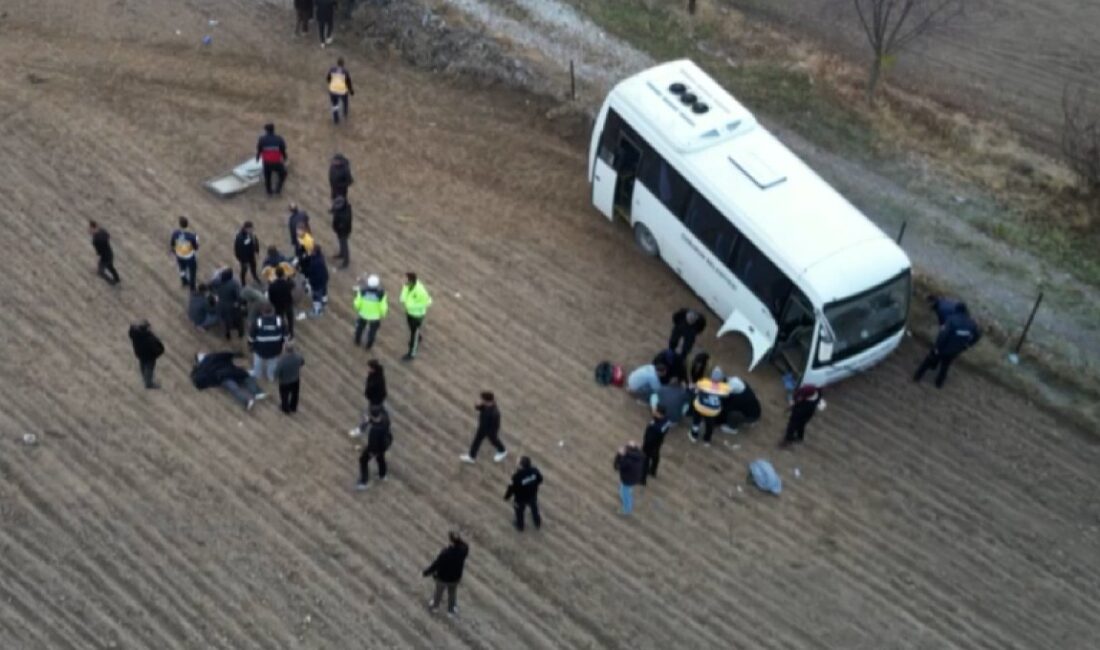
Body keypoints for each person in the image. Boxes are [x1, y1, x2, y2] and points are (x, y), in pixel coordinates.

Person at [914, 296, 982, 388]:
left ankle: (917, 377)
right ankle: (939, 384)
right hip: (956, 350)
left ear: (957, 310)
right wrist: (967, 346)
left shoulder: (951, 320)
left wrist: (937, 348)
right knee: (945, 366)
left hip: (944, 347)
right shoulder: (972, 324)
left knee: (928, 360)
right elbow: (977, 336)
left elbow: (943, 335)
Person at [191, 352, 266, 410]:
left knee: (234, 389)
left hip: (223, 377)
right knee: (245, 377)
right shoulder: (213, 356)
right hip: (231, 371)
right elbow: (226, 354)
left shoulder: (202, 367)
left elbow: (196, 377)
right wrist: (236, 353)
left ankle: (247, 401)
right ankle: (257, 392)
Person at [423, 532, 469, 616]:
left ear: (451, 541)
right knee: (452, 593)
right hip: (455, 578)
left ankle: (435, 606)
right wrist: (458, 539)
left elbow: (436, 564)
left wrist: (427, 572)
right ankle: (451, 610)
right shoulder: (463, 551)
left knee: (438, 593)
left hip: (443, 578)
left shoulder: (445, 553)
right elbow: (465, 545)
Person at [460, 391, 507, 464]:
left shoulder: (494, 412)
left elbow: (494, 424)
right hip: (483, 427)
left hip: (490, 430)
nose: (481, 400)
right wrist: (477, 405)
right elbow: (479, 408)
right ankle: (472, 457)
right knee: (477, 441)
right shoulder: (486, 405)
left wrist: (488, 432)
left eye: (482, 399)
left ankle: (502, 451)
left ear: (486, 401)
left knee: (493, 440)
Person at [353, 405, 392, 490]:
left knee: (363, 460)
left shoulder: (374, 431)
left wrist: (361, 449)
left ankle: (364, 482)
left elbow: (372, 447)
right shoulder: (385, 419)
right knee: (380, 457)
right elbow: (377, 421)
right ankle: (382, 475)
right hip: (386, 442)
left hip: (377, 446)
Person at [690, 367, 731, 446]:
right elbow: (727, 396)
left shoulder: (703, 383)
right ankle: (707, 440)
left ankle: (693, 436)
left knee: (696, 422)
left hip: (700, 407)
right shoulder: (725, 388)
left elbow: (695, 388)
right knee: (710, 426)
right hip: (713, 411)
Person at [249, 304, 287, 382]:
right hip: (275, 348)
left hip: (260, 348)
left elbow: (252, 337)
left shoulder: (257, 321)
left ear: (262, 312)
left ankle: (257, 374)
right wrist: (284, 344)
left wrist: (250, 345)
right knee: (272, 362)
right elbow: (286, 335)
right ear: (273, 311)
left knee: (258, 361)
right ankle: (271, 376)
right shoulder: (279, 321)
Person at [504, 456, 543, 531]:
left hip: (520, 499)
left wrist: (506, 497)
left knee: (519, 512)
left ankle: (520, 526)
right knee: (534, 508)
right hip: (532, 495)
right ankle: (537, 522)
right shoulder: (534, 470)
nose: (516, 463)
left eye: (518, 462)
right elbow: (540, 479)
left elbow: (512, 489)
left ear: (521, 466)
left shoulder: (517, 477)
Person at [399, 272, 432, 361]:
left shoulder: (421, 291)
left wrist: (411, 306)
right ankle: (418, 336)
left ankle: (411, 353)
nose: (403, 281)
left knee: (414, 334)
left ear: (411, 280)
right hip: (409, 313)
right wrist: (404, 299)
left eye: (406, 279)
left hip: (417, 315)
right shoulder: (407, 286)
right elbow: (403, 296)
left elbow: (428, 302)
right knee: (411, 328)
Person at [353, 274, 387, 349]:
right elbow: (383, 307)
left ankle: (357, 341)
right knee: (372, 332)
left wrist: (357, 308)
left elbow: (357, 303)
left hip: (363, 314)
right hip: (375, 317)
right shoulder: (381, 294)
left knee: (360, 328)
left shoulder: (362, 292)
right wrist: (383, 314)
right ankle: (369, 345)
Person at [128, 321, 164, 389]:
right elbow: (158, 347)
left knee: (143, 367)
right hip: (149, 357)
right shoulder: (149, 337)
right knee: (149, 369)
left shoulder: (136, 334)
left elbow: (131, 331)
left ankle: (145, 380)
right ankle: (148, 384)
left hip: (141, 354)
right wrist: (157, 353)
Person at [211, 267, 244, 341]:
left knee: (224, 320)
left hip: (220, 304)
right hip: (231, 305)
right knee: (238, 320)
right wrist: (239, 303)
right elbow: (239, 296)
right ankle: (240, 333)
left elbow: (211, 286)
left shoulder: (216, 282)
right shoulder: (234, 284)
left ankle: (227, 335)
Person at [641, 405, 670, 485]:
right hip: (657, 443)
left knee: (645, 460)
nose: (654, 412)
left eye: (656, 411)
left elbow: (655, 431)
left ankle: (642, 479)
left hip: (650, 443)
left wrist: (651, 425)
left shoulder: (657, 425)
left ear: (660, 414)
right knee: (655, 456)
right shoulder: (666, 420)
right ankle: (653, 471)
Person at [256, 123, 288, 196]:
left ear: (265, 130)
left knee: (267, 177)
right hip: (276, 162)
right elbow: (283, 150)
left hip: (266, 162)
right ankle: (278, 189)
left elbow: (259, 150)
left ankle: (269, 192)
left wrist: (257, 158)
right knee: (283, 174)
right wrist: (285, 158)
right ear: (274, 130)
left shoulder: (262, 139)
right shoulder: (279, 139)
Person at [613, 442, 645, 515]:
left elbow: (616, 466)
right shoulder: (639, 455)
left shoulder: (627, 460)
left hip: (628, 480)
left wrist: (619, 455)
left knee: (625, 494)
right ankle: (626, 497)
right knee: (626, 490)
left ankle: (626, 510)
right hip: (634, 477)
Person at [169, 216, 199, 291]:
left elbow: (172, 244)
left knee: (182, 269)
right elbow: (196, 247)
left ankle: (184, 281)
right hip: (189, 256)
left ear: (180, 224)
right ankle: (192, 287)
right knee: (192, 271)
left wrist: (174, 251)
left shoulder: (175, 233)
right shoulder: (192, 236)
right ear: (187, 224)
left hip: (179, 255)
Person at [275, 342, 305, 414]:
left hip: (285, 381)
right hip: (295, 379)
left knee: (284, 395)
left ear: (285, 349)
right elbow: (302, 362)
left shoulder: (281, 361)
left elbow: (277, 372)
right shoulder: (298, 356)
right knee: (295, 394)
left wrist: (276, 377)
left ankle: (285, 409)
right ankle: (293, 407)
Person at [267, 266, 296, 340]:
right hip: (288, 304)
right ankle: (291, 333)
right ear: (283, 274)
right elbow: (293, 284)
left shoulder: (272, 286)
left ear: (276, 275)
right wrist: (288, 278)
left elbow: (271, 298)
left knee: (279, 320)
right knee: (290, 319)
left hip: (278, 306)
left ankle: (280, 333)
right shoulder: (287, 284)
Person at [89, 220, 120, 285]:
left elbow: (99, 252)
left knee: (100, 272)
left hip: (105, 257)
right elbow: (108, 236)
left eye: (90, 229)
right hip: (110, 253)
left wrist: (97, 259)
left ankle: (112, 282)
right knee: (110, 266)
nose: (89, 230)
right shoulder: (102, 231)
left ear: (93, 228)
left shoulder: (95, 240)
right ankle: (117, 279)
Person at [302, 245, 329, 317]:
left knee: (316, 296)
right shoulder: (321, 257)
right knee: (323, 291)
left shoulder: (315, 263)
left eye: (312, 251)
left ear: (315, 252)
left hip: (317, 282)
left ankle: (317, 311)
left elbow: (310, 272)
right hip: (324, 278)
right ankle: (324, 302)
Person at [326, 59, 354, 124]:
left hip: (332, 90)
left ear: (337, 63)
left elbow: (328, 78)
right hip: (342, 91)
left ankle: (336, 120)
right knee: (345, 102)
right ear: (343, 64)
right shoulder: (345, 71)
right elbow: (348, 82)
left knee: (335, 105)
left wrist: (331, 83)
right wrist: (351, 90)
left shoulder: (332, 69)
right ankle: (345, 112)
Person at [234, 221, 261, 286]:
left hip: (251, 255)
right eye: (251, 229)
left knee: (253, 267)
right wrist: (243, 260)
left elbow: (255, 242)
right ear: (246, 228)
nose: (252, 230)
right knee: (244, 270)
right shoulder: (240, 237)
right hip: (243, 258)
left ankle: (255, 276)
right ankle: (243, 282)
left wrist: (257, 251)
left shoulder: (251, 235)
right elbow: (239, 250)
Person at [330, 196, 352, 268]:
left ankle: (346, 261)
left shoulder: (345, 215)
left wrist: (338, 227)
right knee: (341, 243)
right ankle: (341, 254)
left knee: (344, 245)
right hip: (340, 231)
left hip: (343, 232)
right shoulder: (344, 208)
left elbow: (343, 224)